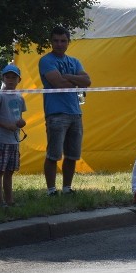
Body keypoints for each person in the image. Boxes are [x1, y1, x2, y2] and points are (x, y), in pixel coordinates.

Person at [39, 25, 91, 196]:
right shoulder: (46, 60)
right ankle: (51, 190)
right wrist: (76, 80)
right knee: (53, 155)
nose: (59, 44)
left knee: (72, 155)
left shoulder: (74, 61)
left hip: (75, 113)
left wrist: (67, 77)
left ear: (68, 42)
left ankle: (67, 188)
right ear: (51, 42)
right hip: (55, 113)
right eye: (56, 41)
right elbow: (58, 83)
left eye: (63, 41)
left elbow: (87, 81)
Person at [0, 64, 27, 207]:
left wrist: (21, 123)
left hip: (14, 140)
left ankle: (10, 200)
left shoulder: (20, 97)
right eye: (7, 77)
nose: (10, 80)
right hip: (1, 139)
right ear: (3, 78)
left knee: (10, 171)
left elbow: (18, 117)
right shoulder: (0, 95)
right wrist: (6, 126)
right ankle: (0, 201)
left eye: (13, 77)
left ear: (19, 80)